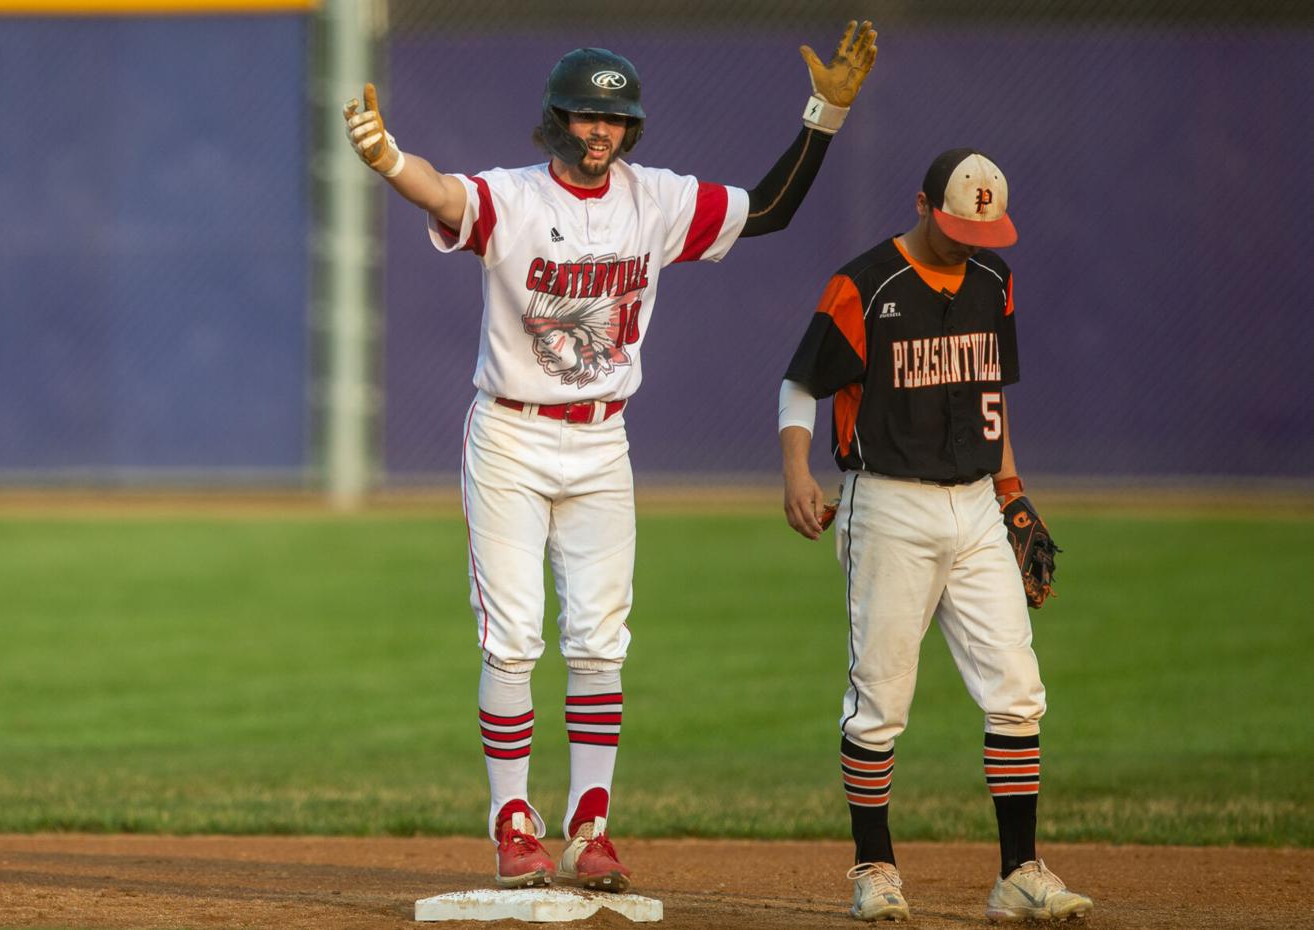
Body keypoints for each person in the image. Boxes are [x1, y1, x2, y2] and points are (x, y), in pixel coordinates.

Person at [343, 23, 878, 892]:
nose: (600, 132)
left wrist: (826, 113)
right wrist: (389, 159)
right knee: (512, 637)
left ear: (631, 128)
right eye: (585, 117)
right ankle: (514, 822)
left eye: (615, 120)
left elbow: (769, 209)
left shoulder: (655, 200)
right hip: (511, 436)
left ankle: (590, 827)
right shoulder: (514, 196)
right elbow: (445, 196)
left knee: (599, 640)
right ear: (555, 120)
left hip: (601, 440)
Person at [776, 149, 1094, 922]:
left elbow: (991, 396)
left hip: (978, 503)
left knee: (1017, 693)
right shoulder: (865, 283)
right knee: (879, 702)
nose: (967, 240)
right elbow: (800, 380)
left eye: (981, 228)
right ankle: (874, 869)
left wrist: (1014, 496)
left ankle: (1019, 872)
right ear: (921, 204)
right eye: (954, 225)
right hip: (889, 505)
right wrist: (796, 470)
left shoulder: (994, 282)